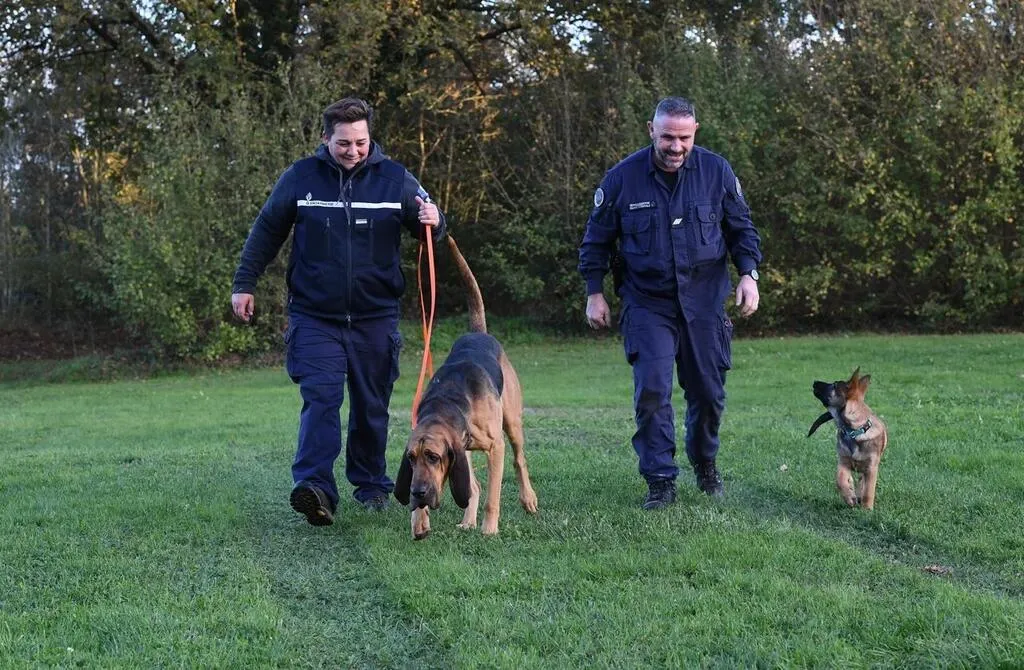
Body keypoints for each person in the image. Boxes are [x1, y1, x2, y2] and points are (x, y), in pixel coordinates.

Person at [231, 97, 446, 526]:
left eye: (361, 142)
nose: (353, 151)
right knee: (321, 402)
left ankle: (371, 486)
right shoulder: (300, 177)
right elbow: (266, 230)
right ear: (326, 138)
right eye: (344, 142)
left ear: (371, 138)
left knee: (371, 407)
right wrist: (244, 284)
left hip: (376, 318)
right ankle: (315, 489)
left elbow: (434, 232)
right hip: (315, 318)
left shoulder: (397, 180)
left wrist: (436, 220)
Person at [578, 97, 762, 510]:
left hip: (704, 303)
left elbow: (742, 229)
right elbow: (596, 241)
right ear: (651, 131)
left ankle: (705, 462)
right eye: (667, 137)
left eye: (683, 137)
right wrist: (594, 292)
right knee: (653, 391)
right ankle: (660, 480)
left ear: (695, 131)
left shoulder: (717, 172)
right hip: (648, 304)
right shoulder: (622, 179)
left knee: (708, 393)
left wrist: (749, 274)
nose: (675, 147)